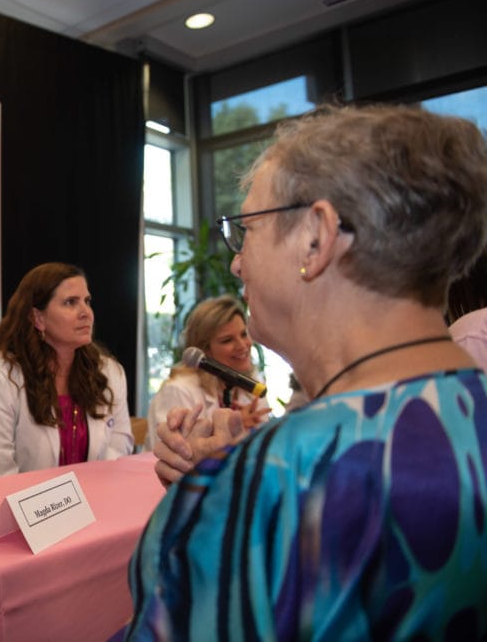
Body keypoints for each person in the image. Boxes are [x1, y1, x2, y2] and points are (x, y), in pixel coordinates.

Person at [128, 104, 487, 640]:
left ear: (315, 238)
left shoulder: (280, 482)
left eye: (243, 230)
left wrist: (223, 492)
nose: (234, 262)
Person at [0, 262, 133, 479]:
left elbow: (119, 450)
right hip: (6, 507)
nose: (86, 312)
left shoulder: (110, 373)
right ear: (38, 318)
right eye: (70, 302)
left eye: (87, 301)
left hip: (94, 504)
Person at [145, 295, 269, 449]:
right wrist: (232, 431)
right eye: (227, 340)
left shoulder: (251, 383)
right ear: (204, 350)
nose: (242, 345)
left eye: (244, 334)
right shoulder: (179, 390)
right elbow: (173, 454)